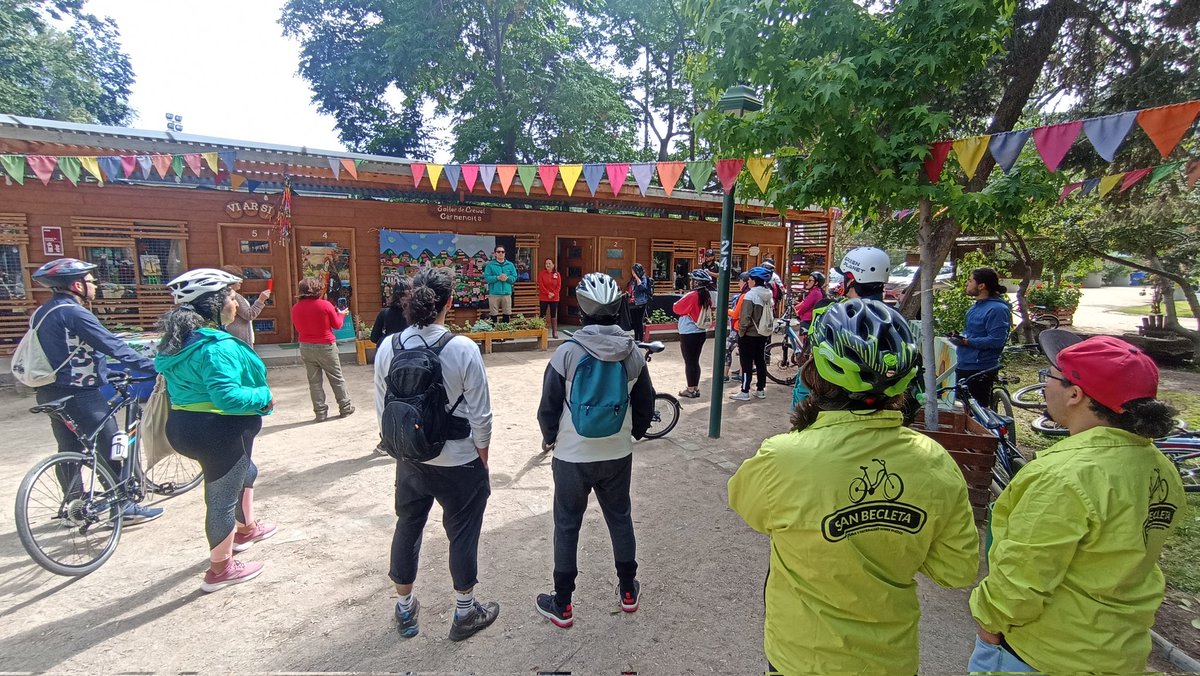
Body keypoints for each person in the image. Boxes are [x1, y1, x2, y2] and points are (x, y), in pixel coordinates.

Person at [729, 299, 979, 674]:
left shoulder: (782, 457)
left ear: (815, 369)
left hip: (803, 656)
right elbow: (955, 570)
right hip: (891, 659)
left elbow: (750, 509)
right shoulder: (934, 460)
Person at [968, 331, 1184, 673]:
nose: (1044, 386)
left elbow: (1023, 574)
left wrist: (989, 623)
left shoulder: (1063, 476)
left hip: (1044, 654)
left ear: (1075, 394)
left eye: (1049, 376)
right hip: (1118, 651)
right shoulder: (1160, 468)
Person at [373, 267, 499, 641]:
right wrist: (482, 457)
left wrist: (403, 448)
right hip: (458, 459)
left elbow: (382, 408)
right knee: (462, 532)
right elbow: (481, 414)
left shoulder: (389, 346)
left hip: (410, 460)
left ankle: (404, 608)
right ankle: (465, 612)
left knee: (408, 524)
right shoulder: (462, 348)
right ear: (449, 302)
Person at [534, 273, 655, 628]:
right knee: (620, 518)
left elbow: (547, 409)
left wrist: (552, 438)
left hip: (572, 456)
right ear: (617, 309)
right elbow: (646, 405)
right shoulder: (633, 354)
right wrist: (631, 434)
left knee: (567, 524)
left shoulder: (567, 353)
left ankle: (563, 603)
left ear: (582, 310)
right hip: (616, 454)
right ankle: (628, 590)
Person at [156, 268, 277, 592]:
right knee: (221, 498)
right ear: (215, 304)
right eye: (231, 298)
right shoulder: (215, 347)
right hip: (218, 430)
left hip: (184, 424)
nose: (235, 304)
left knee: (247, 471)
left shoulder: (179, 341)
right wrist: (263, 397)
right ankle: (221, 568)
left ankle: (247, 527)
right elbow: (228, 397)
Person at [28, 258, 163, 524]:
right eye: (91, 281)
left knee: (68, 448)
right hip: (80, 395)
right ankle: (124, 507)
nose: (95, 286)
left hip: (50, 392)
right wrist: (155, 368)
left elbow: (65, 354)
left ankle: (74, 508)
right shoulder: (74, 313)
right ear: (77, 285)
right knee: (111, 445)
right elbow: (113, 346)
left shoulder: (42, 312)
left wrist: (105, 373)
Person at [292, 277, 354, 421]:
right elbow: (337, 325)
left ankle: (320, 412)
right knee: (336, 378)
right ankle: (345, 408)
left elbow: (298, 327)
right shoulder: (325, 305)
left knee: (314, 382)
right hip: (326, 345)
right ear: (318, 290)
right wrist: (341, 314)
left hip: (305, 346)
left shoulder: (296, 308)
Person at [949, 268, 1011, 407]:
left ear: (981, 285)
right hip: (964, 363)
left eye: (970, 280)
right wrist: (959, 337)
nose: (967, 283)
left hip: (980, 368)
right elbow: (974, 333)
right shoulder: (975, 307)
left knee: (977, 410)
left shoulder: (997, 309)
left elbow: (996, 341)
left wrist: (966, 341)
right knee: (961, 408)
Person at [731, 266, 774, 401]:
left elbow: (745, 318)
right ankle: (760, 389)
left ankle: (745, 391)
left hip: (749, 334)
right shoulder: (768, 294)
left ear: (754, 281)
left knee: (746, 363)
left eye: (749, 279)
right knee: (760, 361)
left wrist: (741, 332)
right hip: (762, 333)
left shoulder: (751, 295)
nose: (748, 281)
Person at [672, 269, 714, 399]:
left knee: (689, 362)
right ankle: (695, 388)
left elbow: (676, 308)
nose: (691, 282)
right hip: (700, 332)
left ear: (696, 282)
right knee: (695, 361)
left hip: (689, 332)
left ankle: (690, 389)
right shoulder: (706, 295)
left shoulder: (693, 295)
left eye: (692, 280)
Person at [220, 264, 270, 345]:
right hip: (240, 339)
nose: (241, 281)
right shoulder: (234, 296)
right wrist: (261, 300)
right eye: (238, 279)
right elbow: (249, 315)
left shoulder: (224, 294)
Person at [371, 278, 412, 345]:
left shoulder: (384, 313)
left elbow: (374, 338)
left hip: (390, 348)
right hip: (410, 348)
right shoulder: (415, 313)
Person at [482, 245, 517, 324]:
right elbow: (487, 278)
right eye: (498, 252)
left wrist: (507, 278)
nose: (500, 253)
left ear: (505, 253)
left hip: (506, 293)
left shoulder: (510, 265)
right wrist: (497, 278)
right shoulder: (490, 265)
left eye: (502, 252)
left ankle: (506, 331)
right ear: (495, 253)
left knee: (507, 314)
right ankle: (494, 331)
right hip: (494, 293)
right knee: (493, 314)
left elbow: (514, 277)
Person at [627, 263, 652, 341]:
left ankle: (640, 339)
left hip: (641, 303)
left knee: (639, 321)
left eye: (633, 271)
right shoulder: (632, 279)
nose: (632, 273)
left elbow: (642, 288)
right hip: (632, 302)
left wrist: (637, 278)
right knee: (634, 322)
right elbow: (631, 289)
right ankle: (636, 338)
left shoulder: (643, 278)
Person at [538, 258, 562, 339]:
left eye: (549, 263)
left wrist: (553, 294)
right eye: (546, 264)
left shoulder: (557, 274)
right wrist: (548, 293)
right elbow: (541, 285)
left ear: (553, 265)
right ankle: (541, 331)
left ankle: (554, 331)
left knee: (553, 314)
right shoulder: (541, 274)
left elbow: (559, 286)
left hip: (554, 298)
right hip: (544, 297)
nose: (547, 265)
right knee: (542, 314)